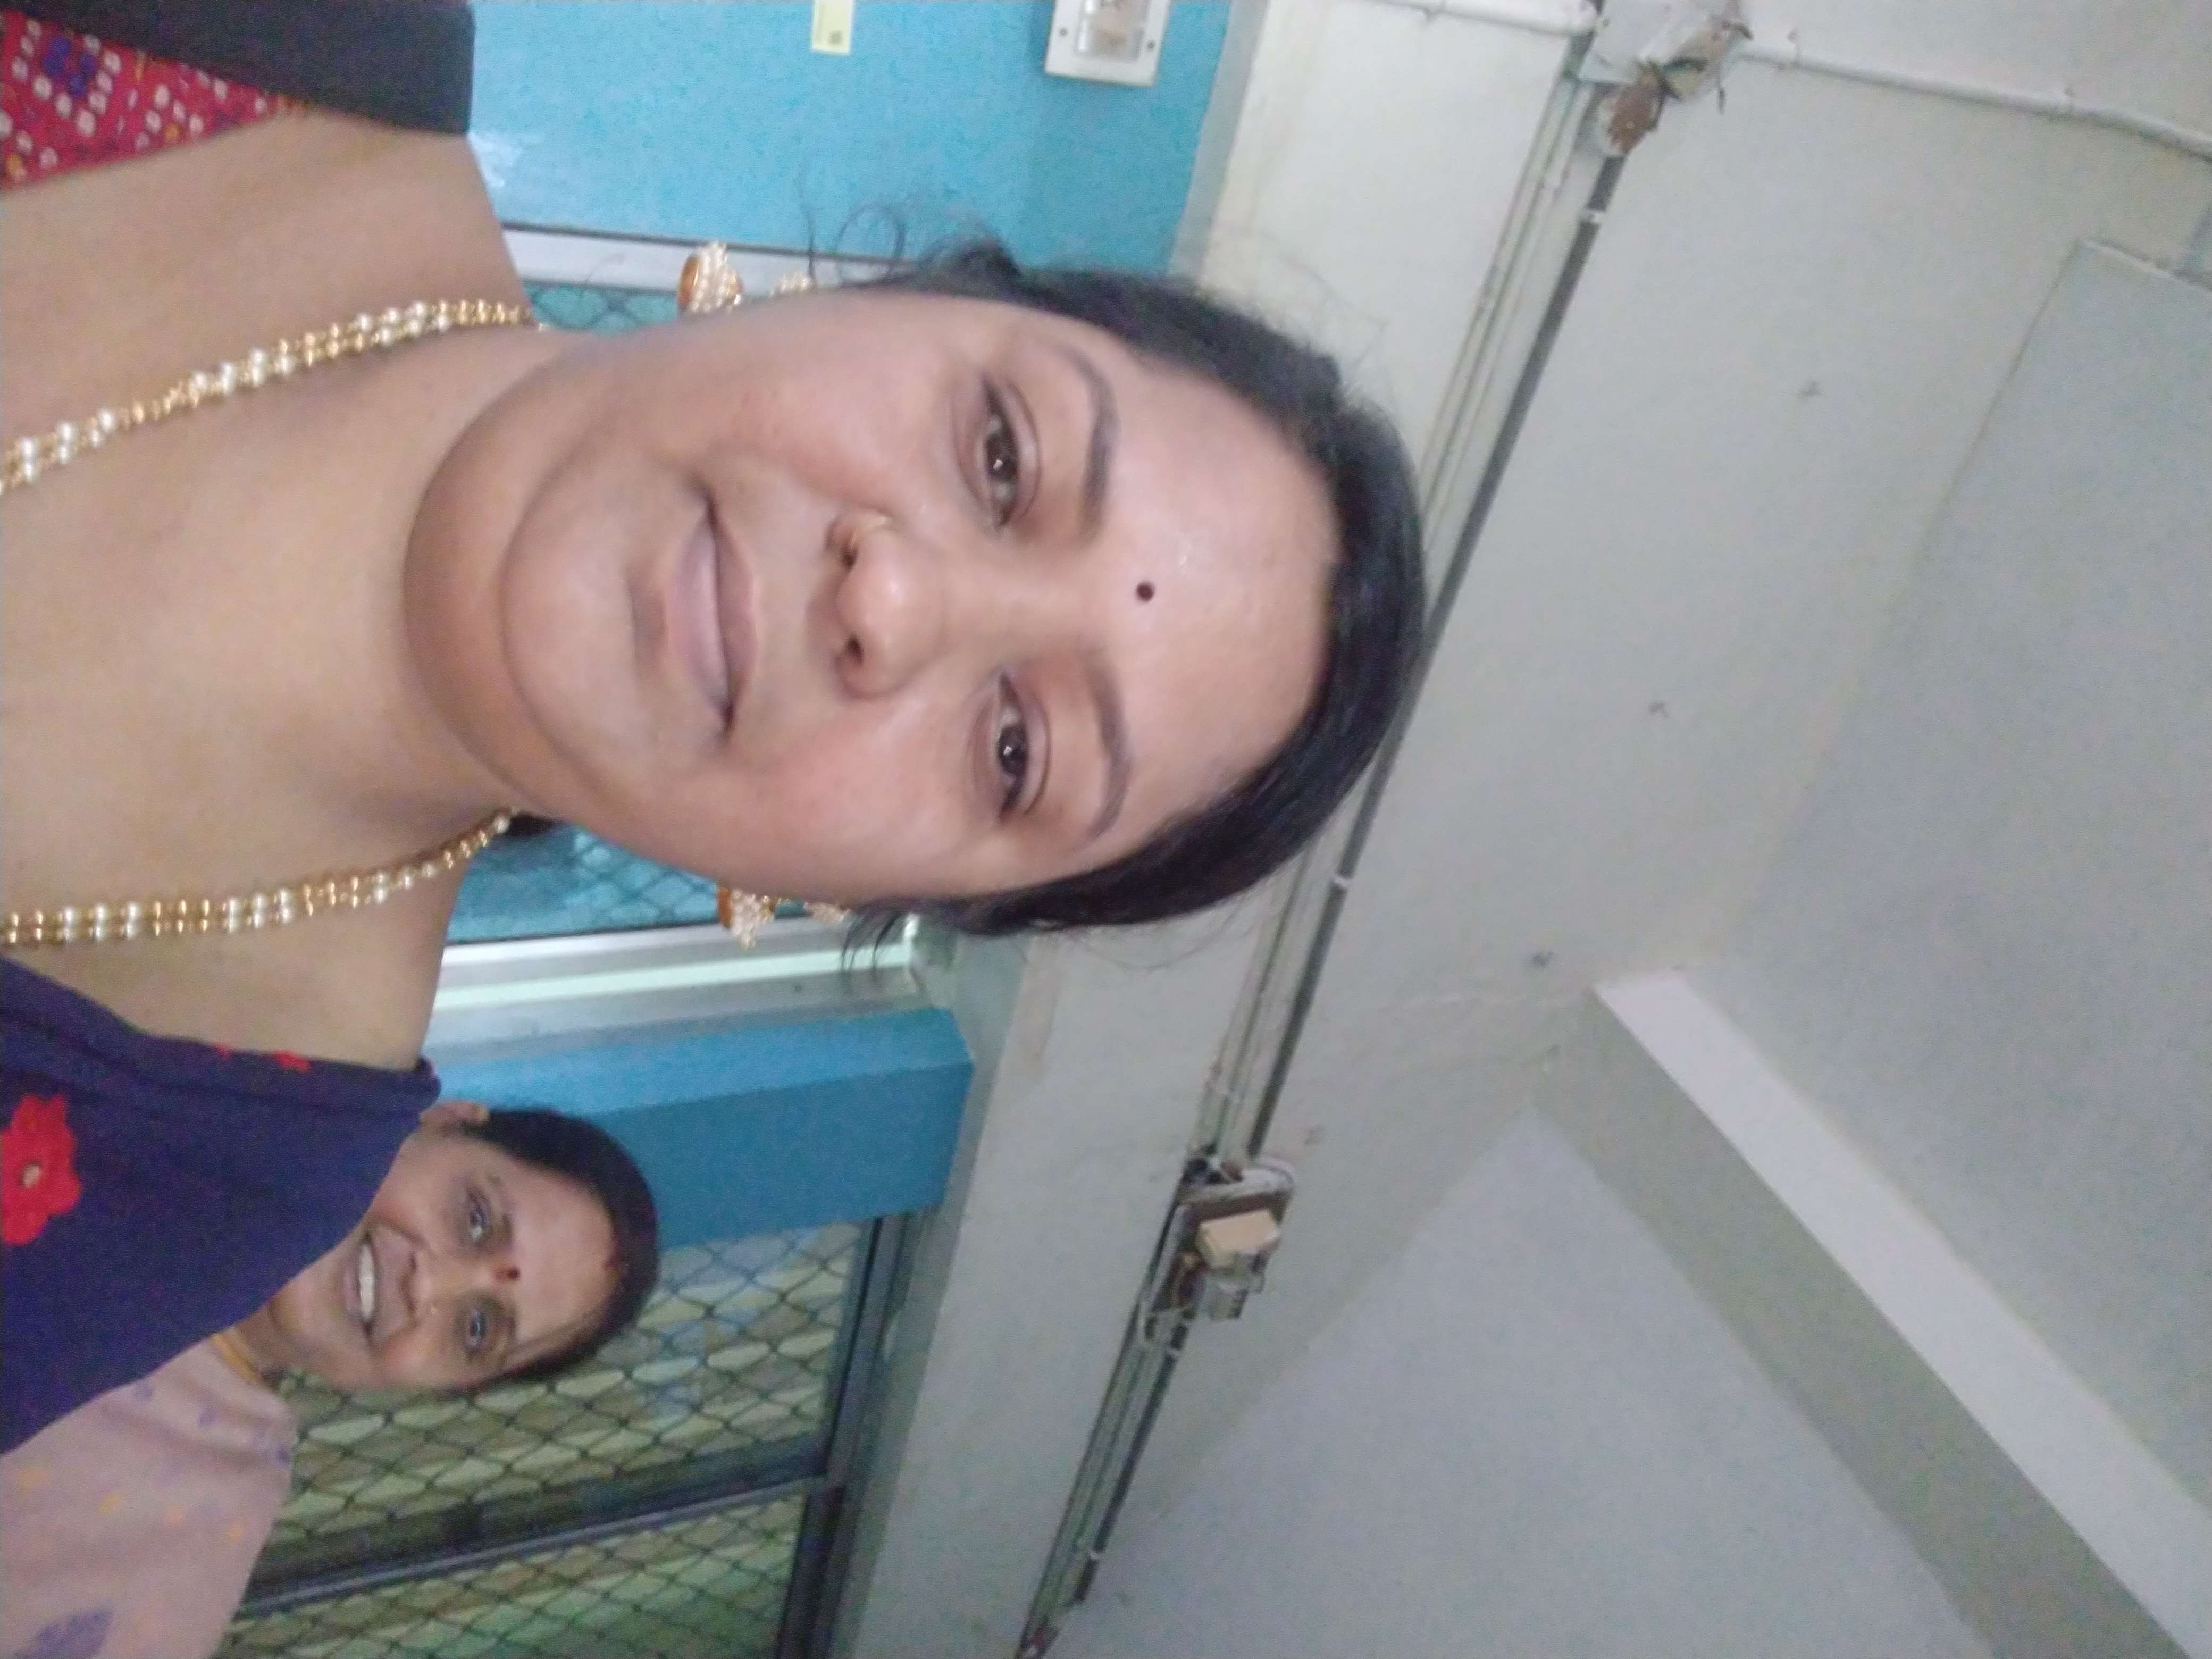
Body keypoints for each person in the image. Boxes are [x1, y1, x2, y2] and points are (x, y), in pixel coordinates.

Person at [0, 6, 1423, 1437]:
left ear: (882, 895)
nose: (893, 600)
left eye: (1015, 751)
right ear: (893, 294)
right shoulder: (282, 38)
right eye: (1004, 452)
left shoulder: (213, 1172)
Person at [0, 1100, 661, 1659]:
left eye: (477, 1330)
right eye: (476, 1219)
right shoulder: (144, 1087)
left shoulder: (189, 1540)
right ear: (438, 1120)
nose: (429, 1285)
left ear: (447, 1388)